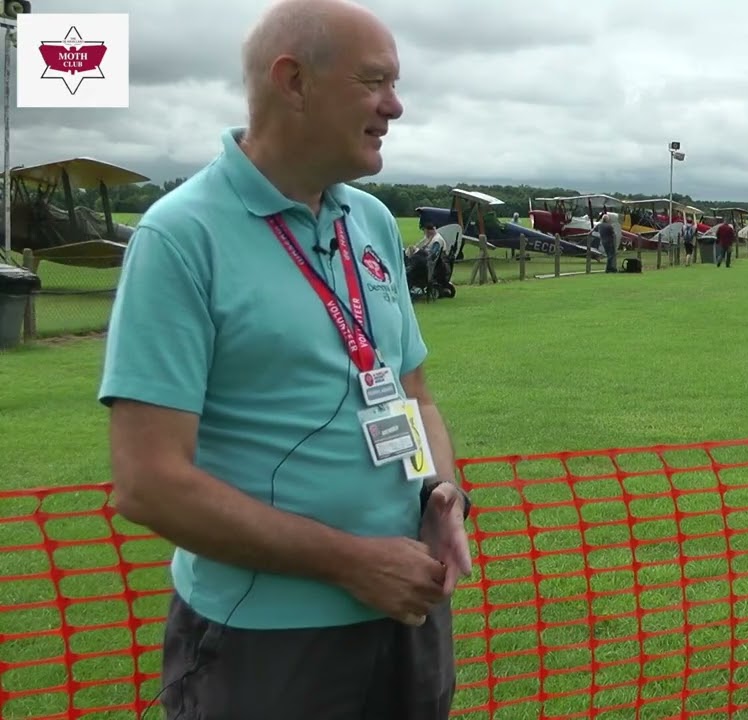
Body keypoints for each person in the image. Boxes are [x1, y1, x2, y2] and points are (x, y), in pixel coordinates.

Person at [96, 1, 474, 717]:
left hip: (407, 613)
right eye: (375, 82)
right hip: (264, 644)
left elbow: (411, 390)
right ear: (292, 81)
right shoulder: (180, 237)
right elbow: (149, 483)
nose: (395, 106)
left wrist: (439, 492)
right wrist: (351, 563)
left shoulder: (368, 220)